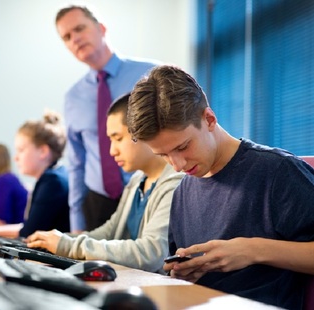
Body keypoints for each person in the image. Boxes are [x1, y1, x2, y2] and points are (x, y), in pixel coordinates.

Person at [126, 64, 314, 309]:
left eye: (183, 147)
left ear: (209, 119)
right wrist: (184, 273)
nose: (177, 164)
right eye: (164, 155)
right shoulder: (183, 191)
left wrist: (252, 250)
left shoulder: (277, 172)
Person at [25, 93, 184, 273]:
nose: (112, 151)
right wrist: (56, 240)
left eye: (118, 138)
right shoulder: (137, 181)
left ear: (142, 130)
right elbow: (109, 233)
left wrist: (69, 245)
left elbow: (152, 253)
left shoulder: (176, 182)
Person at [55, 4, 161, 232]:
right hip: (98, 203)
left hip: (149, 194)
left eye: (79, 28)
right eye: (66, 36)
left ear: (102, 28)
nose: (75, 39)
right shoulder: (73, 97)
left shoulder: (151, 74)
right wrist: (77, 223)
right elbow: (76, 163)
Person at [0, 112, 70, 238]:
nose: (16, 158)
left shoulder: (53, 181)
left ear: (43, 151)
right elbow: (30, 226)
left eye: (21, 150)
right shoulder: (55, 176)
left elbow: (30, 232)